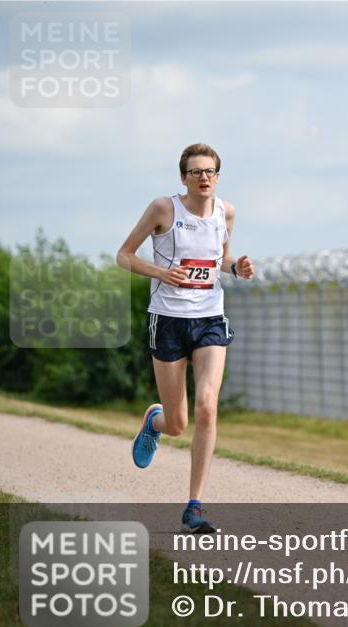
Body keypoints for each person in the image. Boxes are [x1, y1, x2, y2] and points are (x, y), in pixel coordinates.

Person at [116, 143, 255, 534]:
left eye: (211, 171)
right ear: (183, 178)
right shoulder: (164, 209)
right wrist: (161, 273)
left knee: (208, 407)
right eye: (196, 172)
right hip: (169, 319)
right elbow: (124, 256)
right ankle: (153, 422)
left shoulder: (225, 211)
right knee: (178, 422)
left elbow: (220, 259)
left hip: (210, 317)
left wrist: (237, 266)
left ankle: (194, 506)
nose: (204, 178)